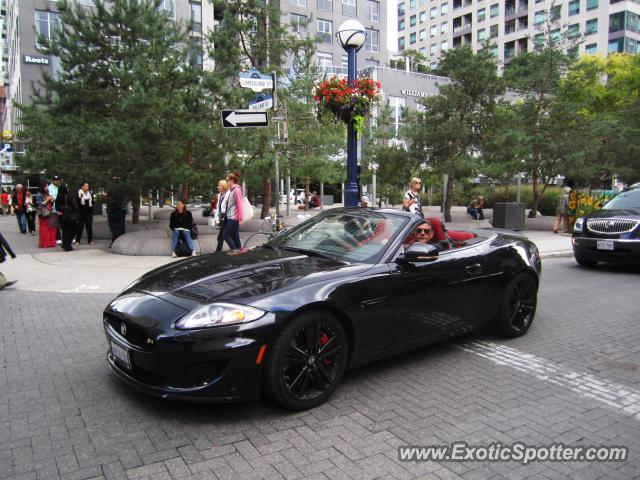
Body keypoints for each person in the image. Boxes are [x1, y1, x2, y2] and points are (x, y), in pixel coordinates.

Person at [222, 172, 244, 250]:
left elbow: (240, 204)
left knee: (225, 235)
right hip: (232, 216)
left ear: (231, 180)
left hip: (234, 217)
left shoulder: (236, 190)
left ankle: (235, 251)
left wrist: (241, 218)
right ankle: (240, 254)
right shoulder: (232, 190)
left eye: (227, 180)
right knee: (235, 237)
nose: (226, 181)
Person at [55, 184, 78, 251]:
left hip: (61, 216)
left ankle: (65, 244)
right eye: (67, 187)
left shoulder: (58, 196)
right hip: (69, 216)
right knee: (71, 231)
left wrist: (62, 210)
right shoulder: (68, 196)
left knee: (64, 231)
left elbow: (57, 208)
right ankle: (67, 245)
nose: (68, 188)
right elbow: (73, 205)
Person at [213, 179, 229, 252]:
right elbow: (218, 207)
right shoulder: (220, 195)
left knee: (221, 237)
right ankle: (237, 250)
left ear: (223, 186)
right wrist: (217, 217)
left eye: (219, 185)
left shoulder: (228, 195)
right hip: (223, 219)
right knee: (226, 237)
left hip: (228, 218)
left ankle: (218, 252)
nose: (217, 187)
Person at [48, 175, 63, 244]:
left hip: (61, 208)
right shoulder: (49, 188)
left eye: (58, 180)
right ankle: (57, 238)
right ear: (53, 181)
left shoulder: (60, 187)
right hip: (53, 209)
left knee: (62, 224)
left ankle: (63, 237)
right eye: (56, 180)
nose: (57, 181)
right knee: (55, 225)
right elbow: (51, 198)